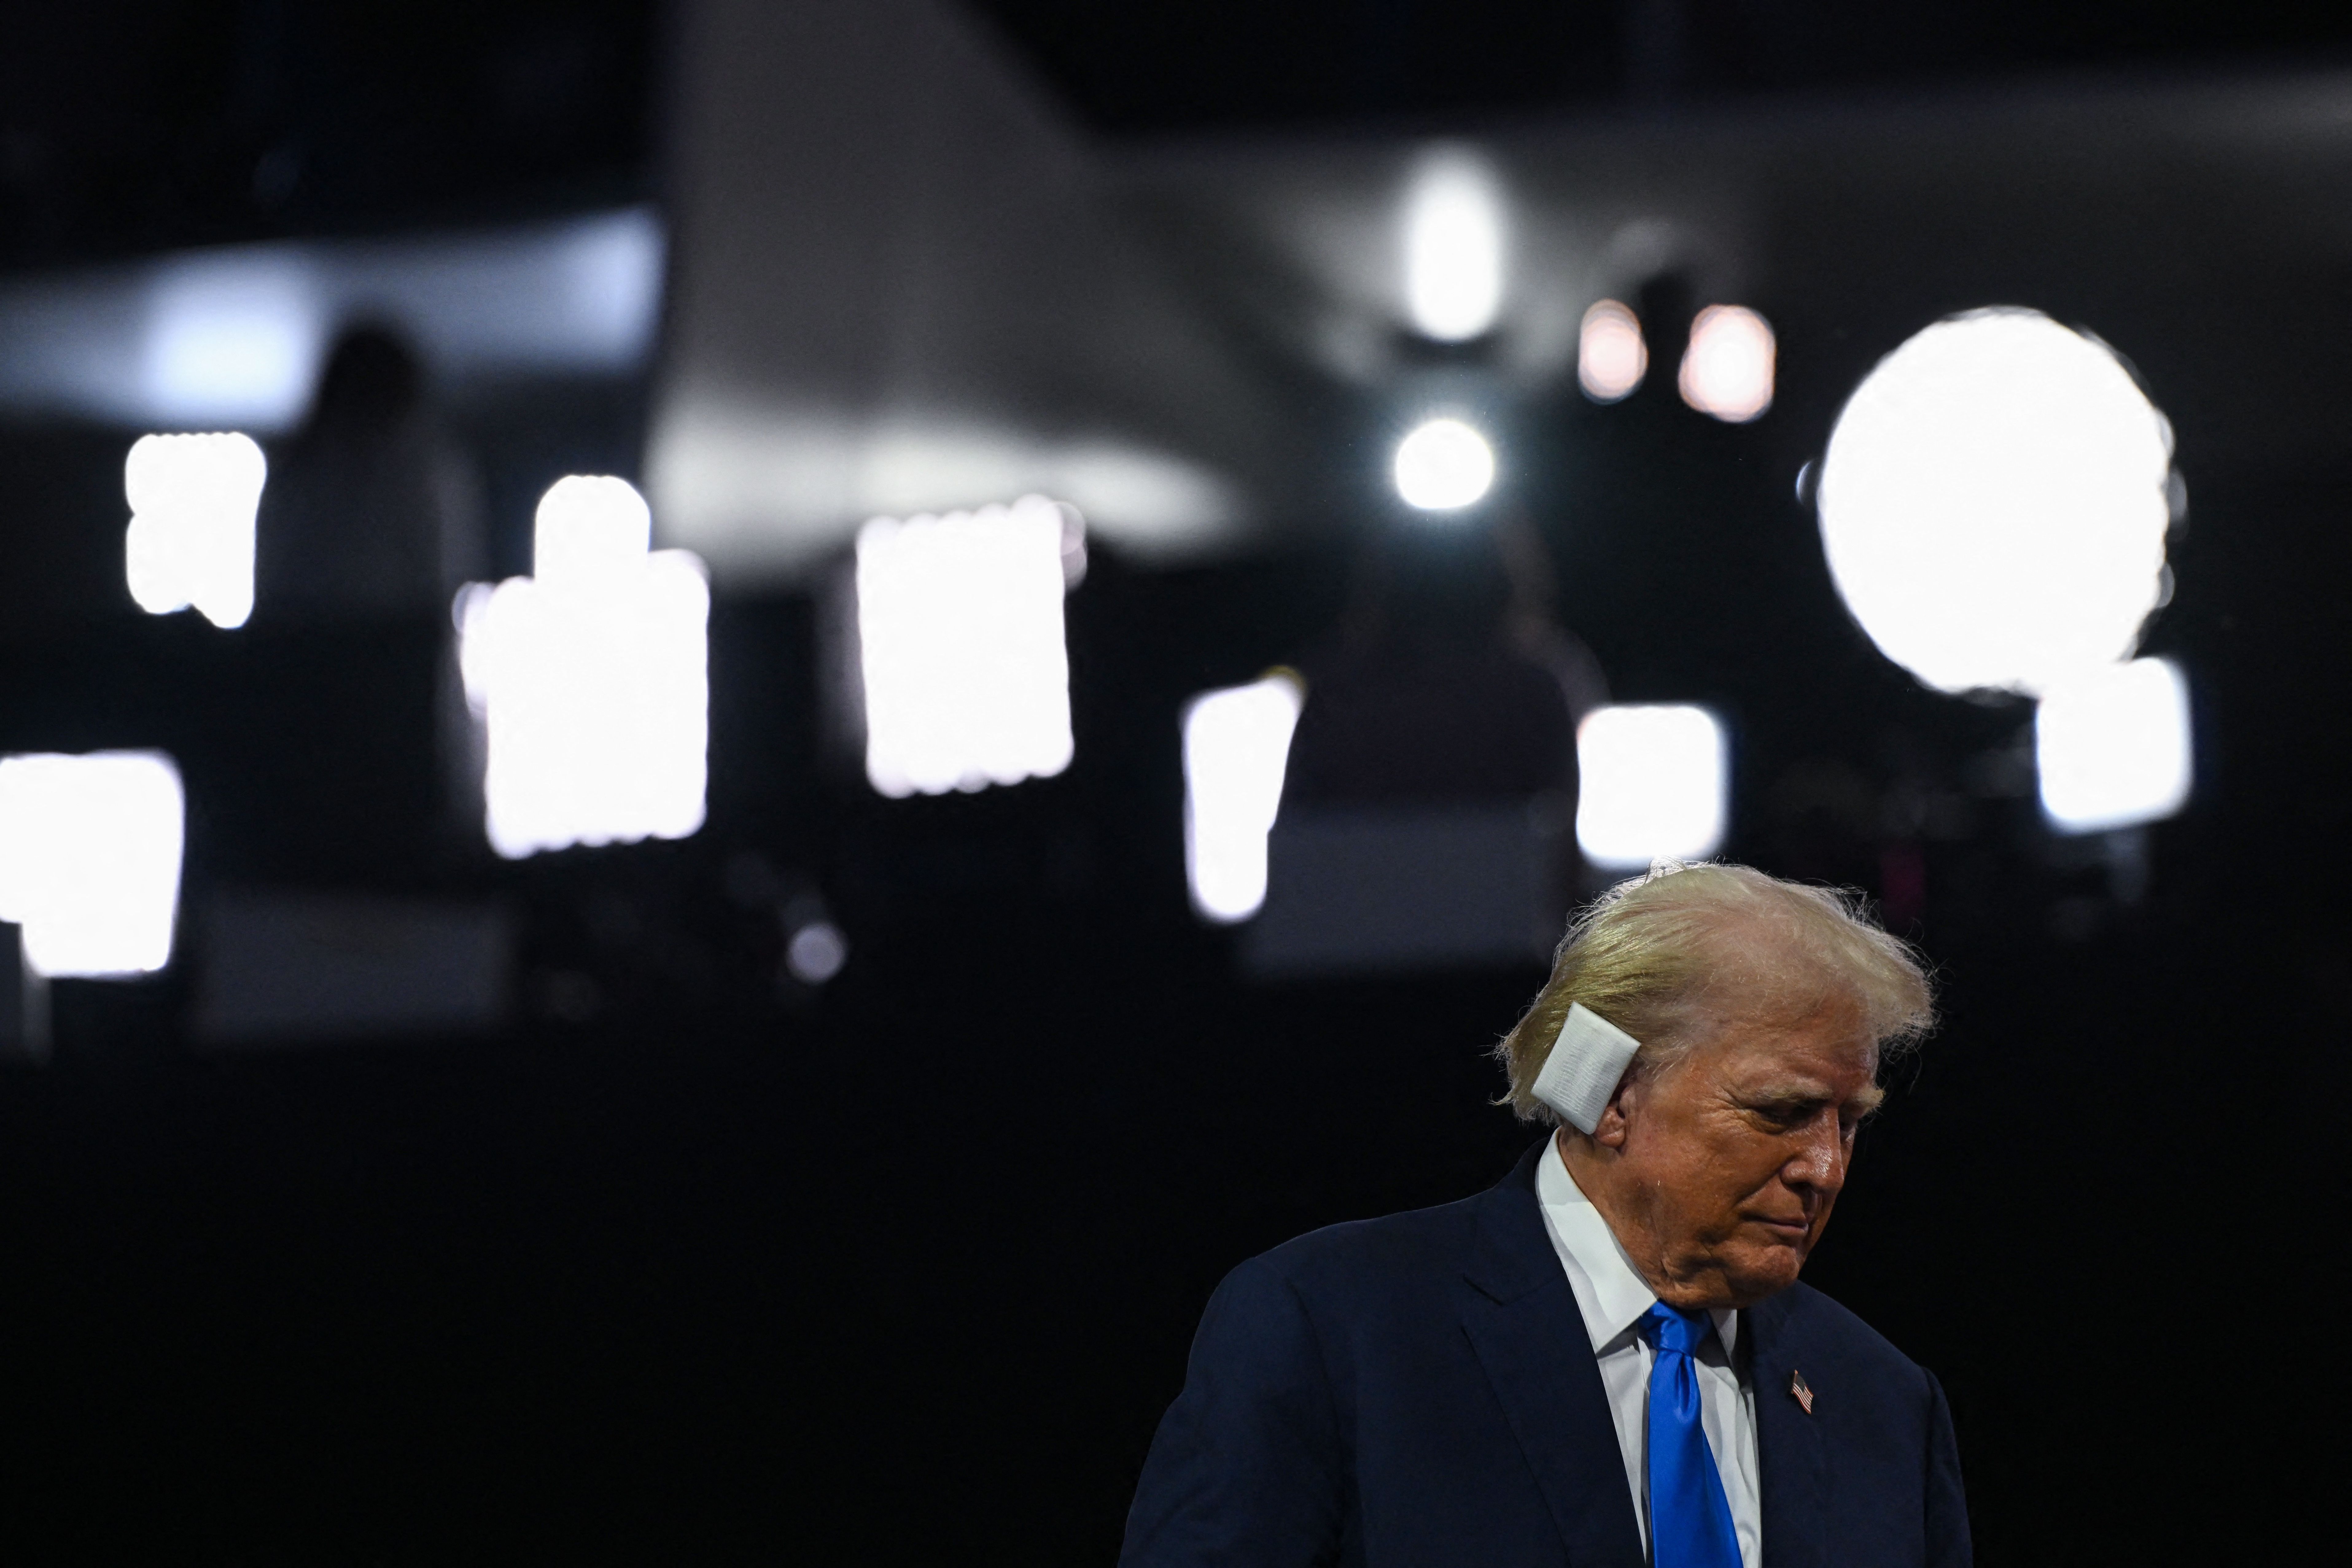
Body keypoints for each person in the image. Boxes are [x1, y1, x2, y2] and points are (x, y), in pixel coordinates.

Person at [1122, 862, 1969, 1568]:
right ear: (1615, 1097)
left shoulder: (1883, 1401)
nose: (1825, 1167)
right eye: (1781, 1111)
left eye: (1849, 1122)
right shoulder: (1334, 1330)